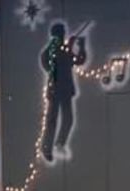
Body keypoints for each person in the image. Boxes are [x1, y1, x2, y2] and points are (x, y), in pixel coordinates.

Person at [40, 22, 87, 162]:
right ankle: (47, 147)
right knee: (52, 120)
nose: (61, 36)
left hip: (64, 90)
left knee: (67, 118)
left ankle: (59, 143)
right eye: (59, 34)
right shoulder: (54, 49)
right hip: (56, 89)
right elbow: (49, 61)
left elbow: (79, 60)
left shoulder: (64, 49)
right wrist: (69, 46)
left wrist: (81, 47)